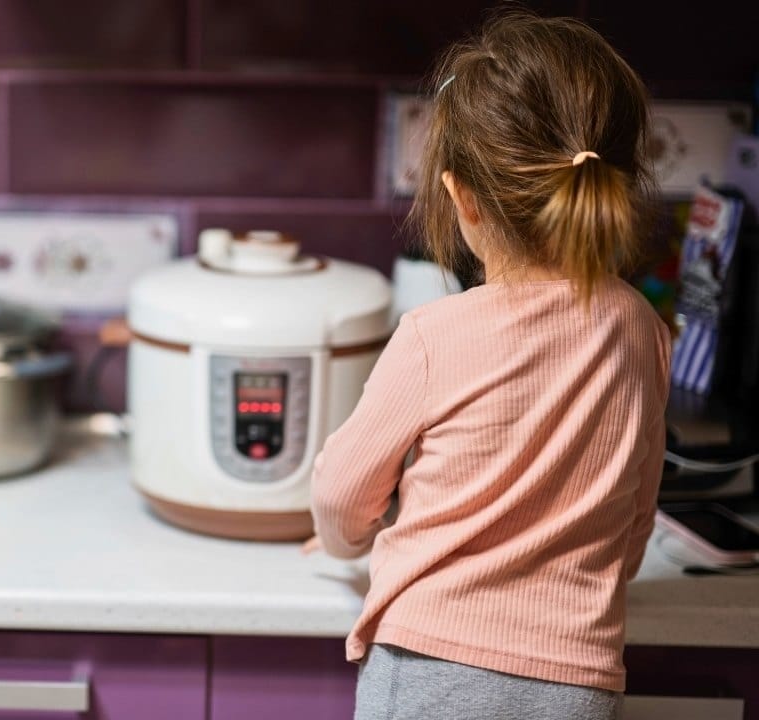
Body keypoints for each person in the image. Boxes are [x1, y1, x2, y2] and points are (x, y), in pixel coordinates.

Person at [304, 11, 671, 720]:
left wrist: (344, 541)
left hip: (429, 664)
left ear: (461, 198)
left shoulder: (434, 335)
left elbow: (344, 494)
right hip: (576, 676)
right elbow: (635, 514)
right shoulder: (642, 330)